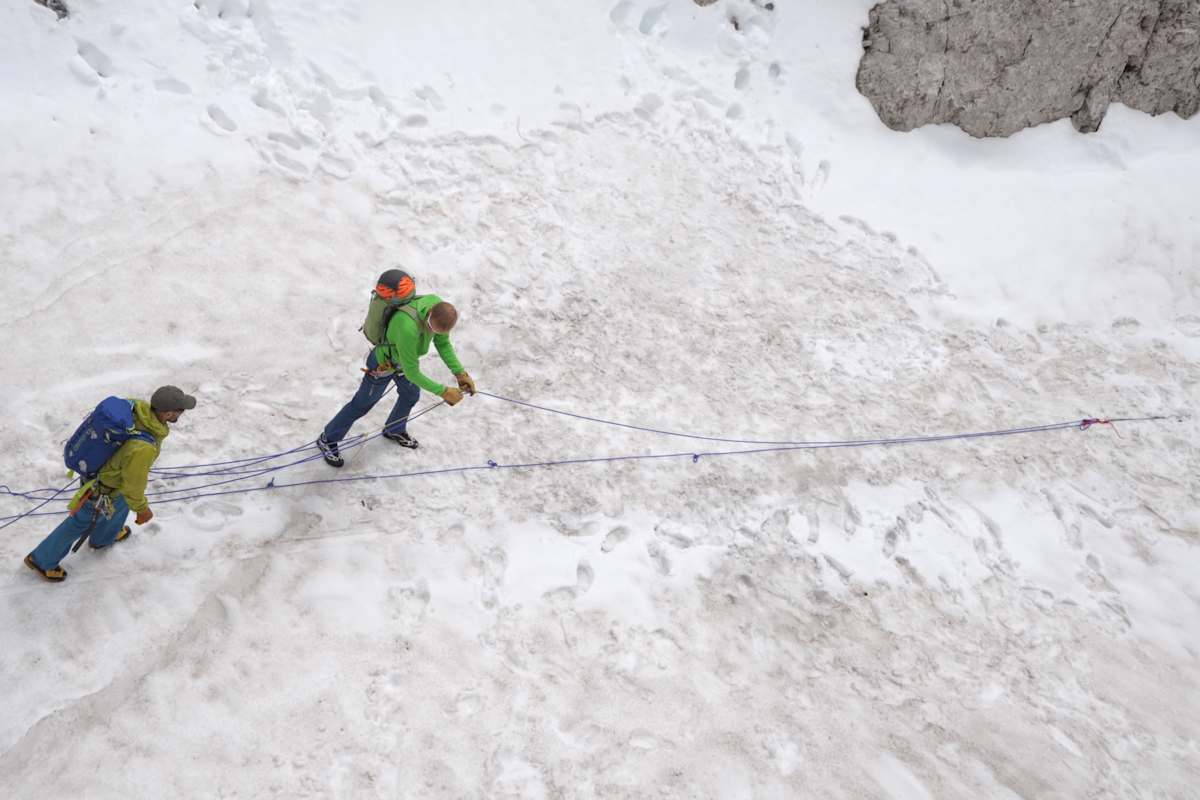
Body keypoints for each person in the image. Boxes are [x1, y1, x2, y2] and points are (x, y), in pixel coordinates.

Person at [24, 385, 196, 582]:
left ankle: (103, 538)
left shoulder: (137, 408)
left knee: (120, 504)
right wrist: (142, 510)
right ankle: (42, 559)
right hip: (102, 488)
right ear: (167, 414)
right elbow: (134, 486)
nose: (182, 413)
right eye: (180, 410)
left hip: (103, 476)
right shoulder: (143, 447)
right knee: (80, 522)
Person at [317, 272, 475, 468]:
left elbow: (443, 344)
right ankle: (327, 438)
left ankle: (394, 429)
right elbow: (412, 372)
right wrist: (443, 391)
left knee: (410, 395)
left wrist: (460, 373)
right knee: (362, 404)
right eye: (432, 329)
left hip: (402, 363)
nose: (433, 333)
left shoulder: (438, 311)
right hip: (383, 364)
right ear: (430, 315)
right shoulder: (407, 327)